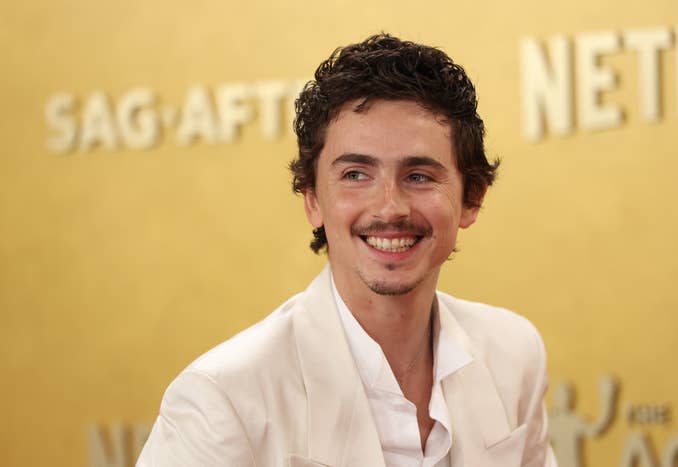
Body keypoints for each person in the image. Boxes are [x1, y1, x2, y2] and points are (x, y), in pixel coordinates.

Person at [137, 33, 558, 467]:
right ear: (313, 200)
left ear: (472, 198)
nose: (390, 208)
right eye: (356, 174)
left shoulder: (513, 354)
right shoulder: (222, 400)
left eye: (419, 176)